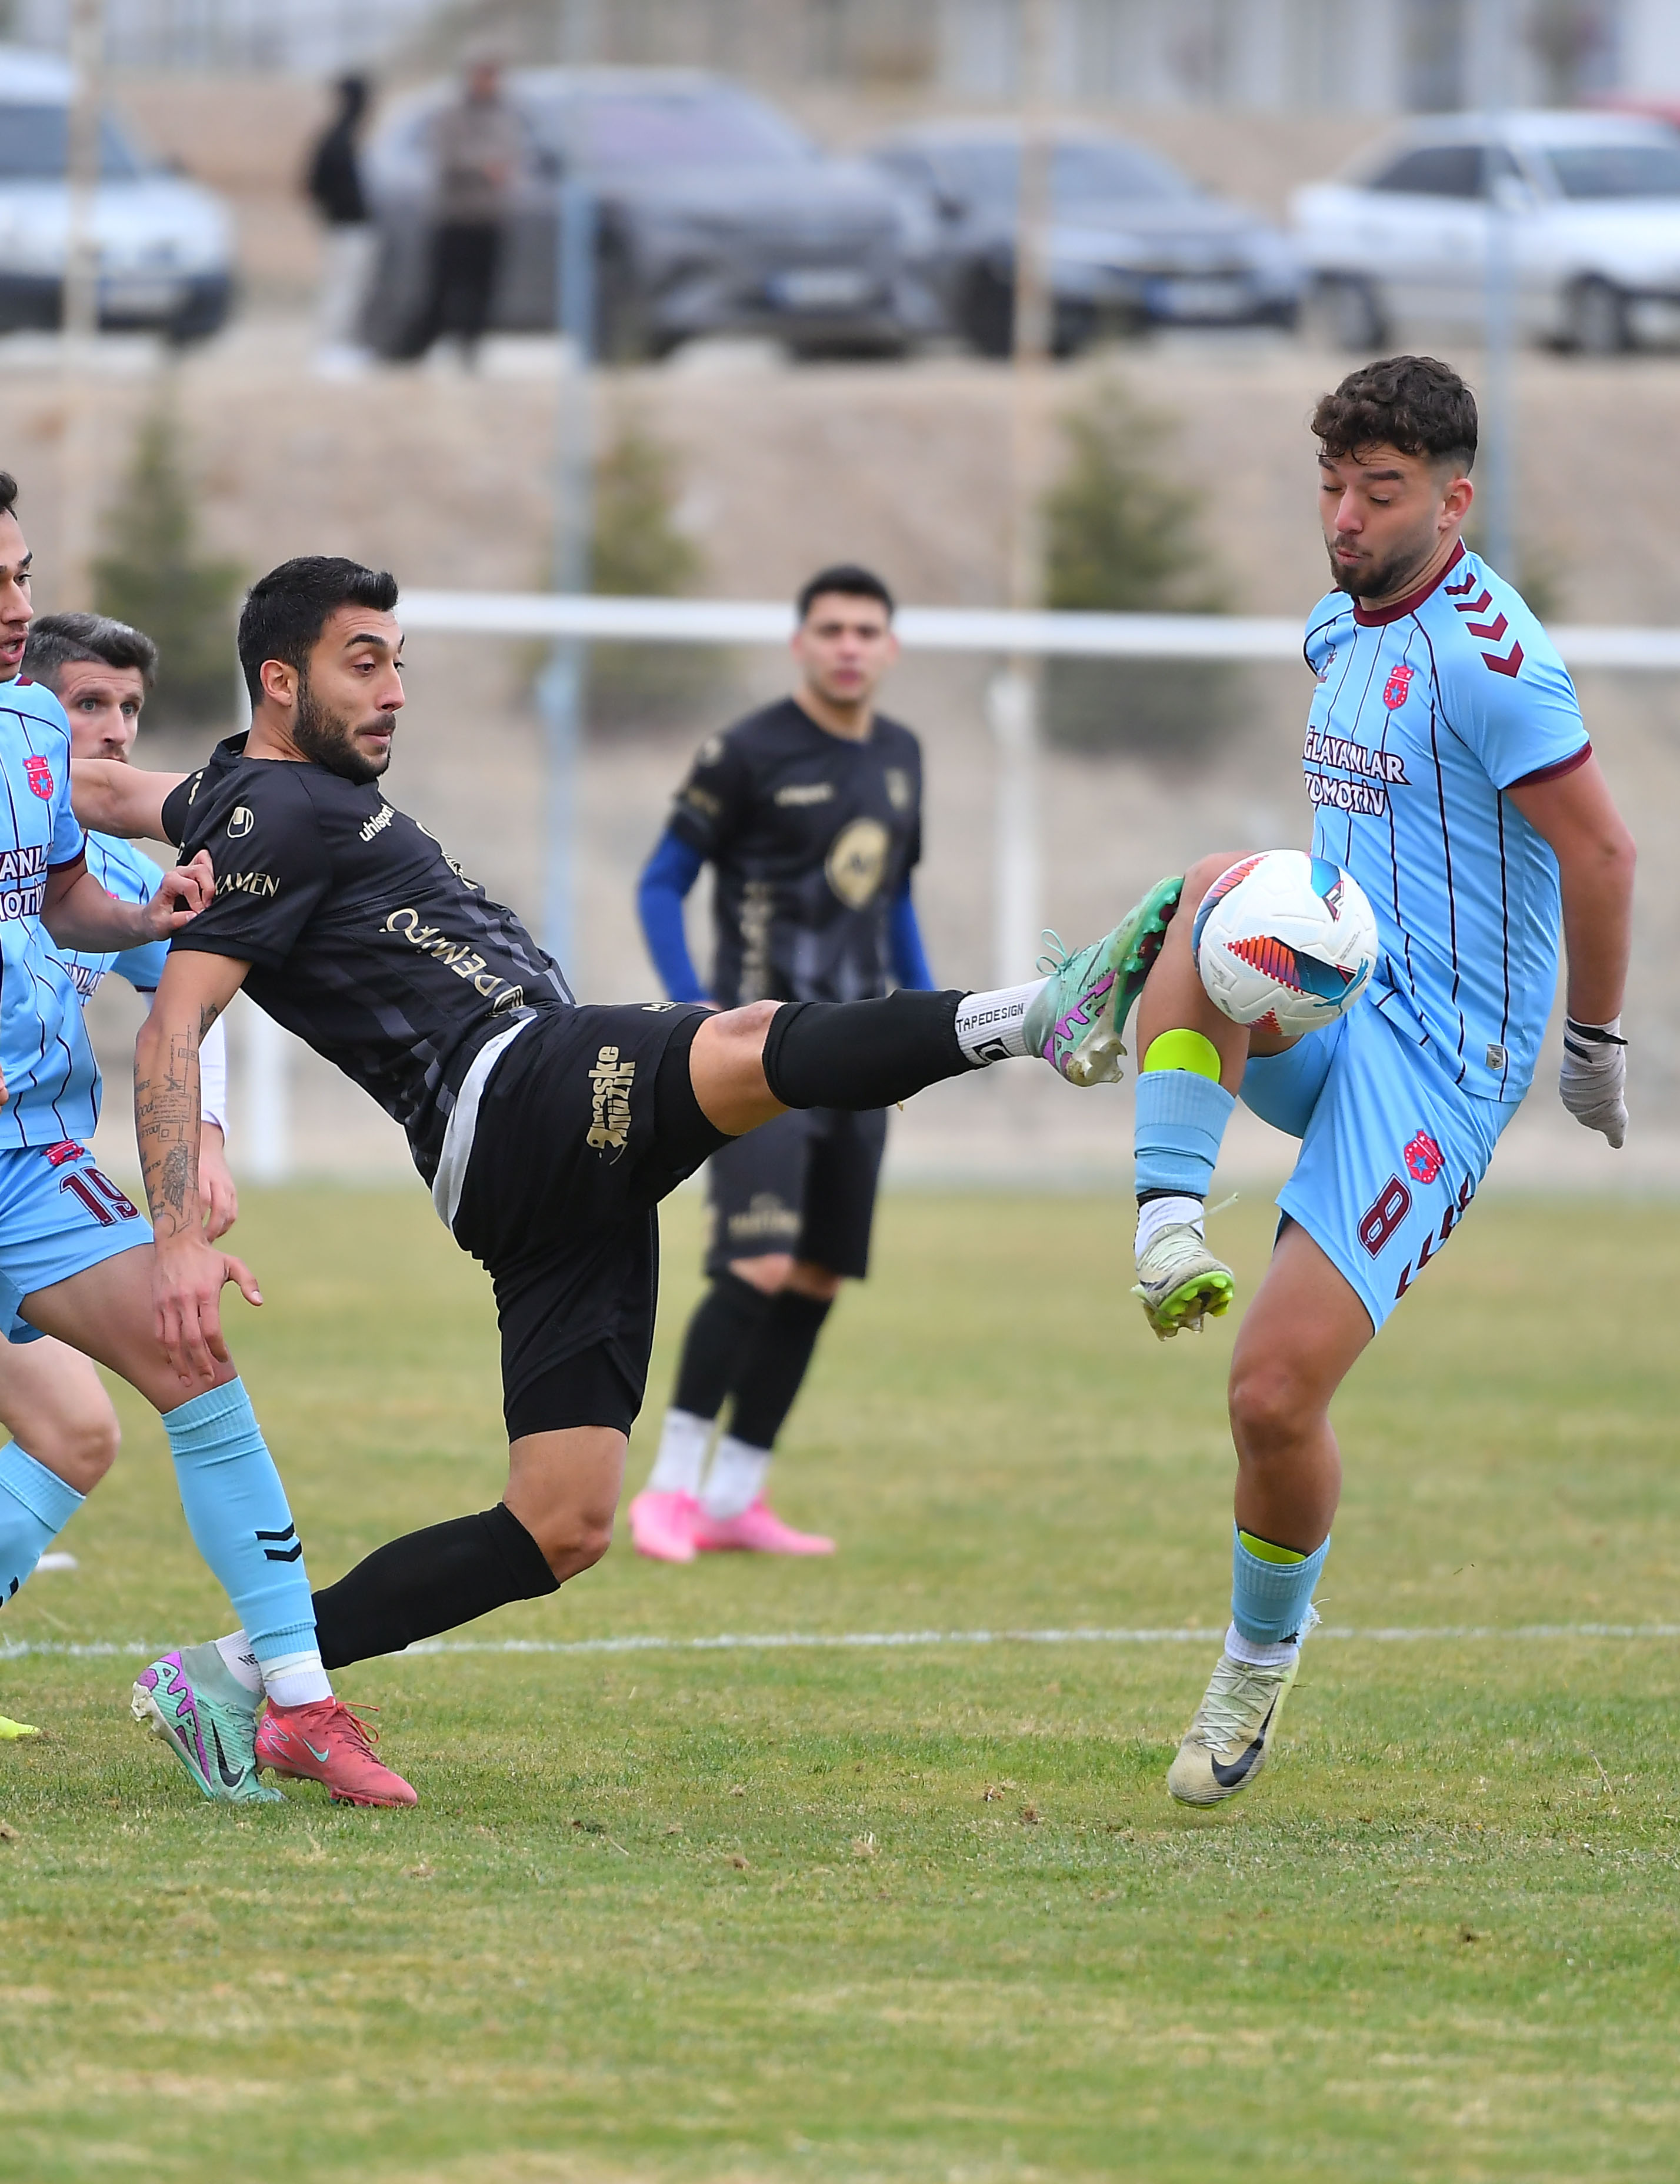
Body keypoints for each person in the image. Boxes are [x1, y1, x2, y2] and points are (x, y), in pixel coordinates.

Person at [74, 554, 1181, 1696]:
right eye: (363, 664)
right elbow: (172, 1029)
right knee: (744, 1037)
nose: (395, 688)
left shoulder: (232, 795)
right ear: (277, 680)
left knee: (561, 1522)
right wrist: (178, 1241)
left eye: (400, 663)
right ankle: (1044, 1014)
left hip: (518, 1172)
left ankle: (239, 1672)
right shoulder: (263, 812)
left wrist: (33, 772)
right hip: (509, 1086)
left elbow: (105, 793)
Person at [1117, 356, 1635, 1807]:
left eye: (1381, 491)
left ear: (1456, 499)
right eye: (1332, 486)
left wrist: (1589, 1046)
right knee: (1218, 886)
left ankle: (1257, 1669)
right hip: (1342, 999)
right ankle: (1168, 1222)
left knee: (1273, 1397)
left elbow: (1601, 856)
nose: (1344, 516)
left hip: (1443, 1066)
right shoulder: (1337, 626)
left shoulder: (1495, 659)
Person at [0, 490, 410, 1806]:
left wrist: (147, 908)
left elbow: (61, 894)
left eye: (21, 575)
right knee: (67, 1429)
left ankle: (291, 1700)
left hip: (25, 1162)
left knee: (186, 1355)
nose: (16, 608)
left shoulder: (24, 731)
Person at [628, 565, 933, 1563]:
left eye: (866, 630)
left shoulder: (901, 756)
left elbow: (892, 904)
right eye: (831, 628)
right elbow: (661, 882)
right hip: (762, 1054)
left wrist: (927, 1030)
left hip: (864, 1055)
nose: (849, 645)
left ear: (889, 648)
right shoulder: (747, 751)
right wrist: (694, 1008)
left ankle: (735, 1496)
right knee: (755, 1263)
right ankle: (668, 1492)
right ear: (801, 642)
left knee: (812, 1279)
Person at [411, 55, 524, 364]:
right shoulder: (451, 114)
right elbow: (445, 157)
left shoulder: (506, 114)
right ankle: (421, 349)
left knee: (484, 287)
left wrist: (506, 171)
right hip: (455, 215)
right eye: (482, 75)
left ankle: (470, 348)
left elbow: (515, 154)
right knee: (443, 287)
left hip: (491, 216)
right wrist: (482, 167)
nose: (488, 82)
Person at [304, 74, 375, 379]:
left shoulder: (344, 136)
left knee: (352, 289)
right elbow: (314, 185)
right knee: (342, 290)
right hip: (346, 226)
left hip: (350, 225)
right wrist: (336, 210)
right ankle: (331, 350)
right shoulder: (337, 139)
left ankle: (341, 346)